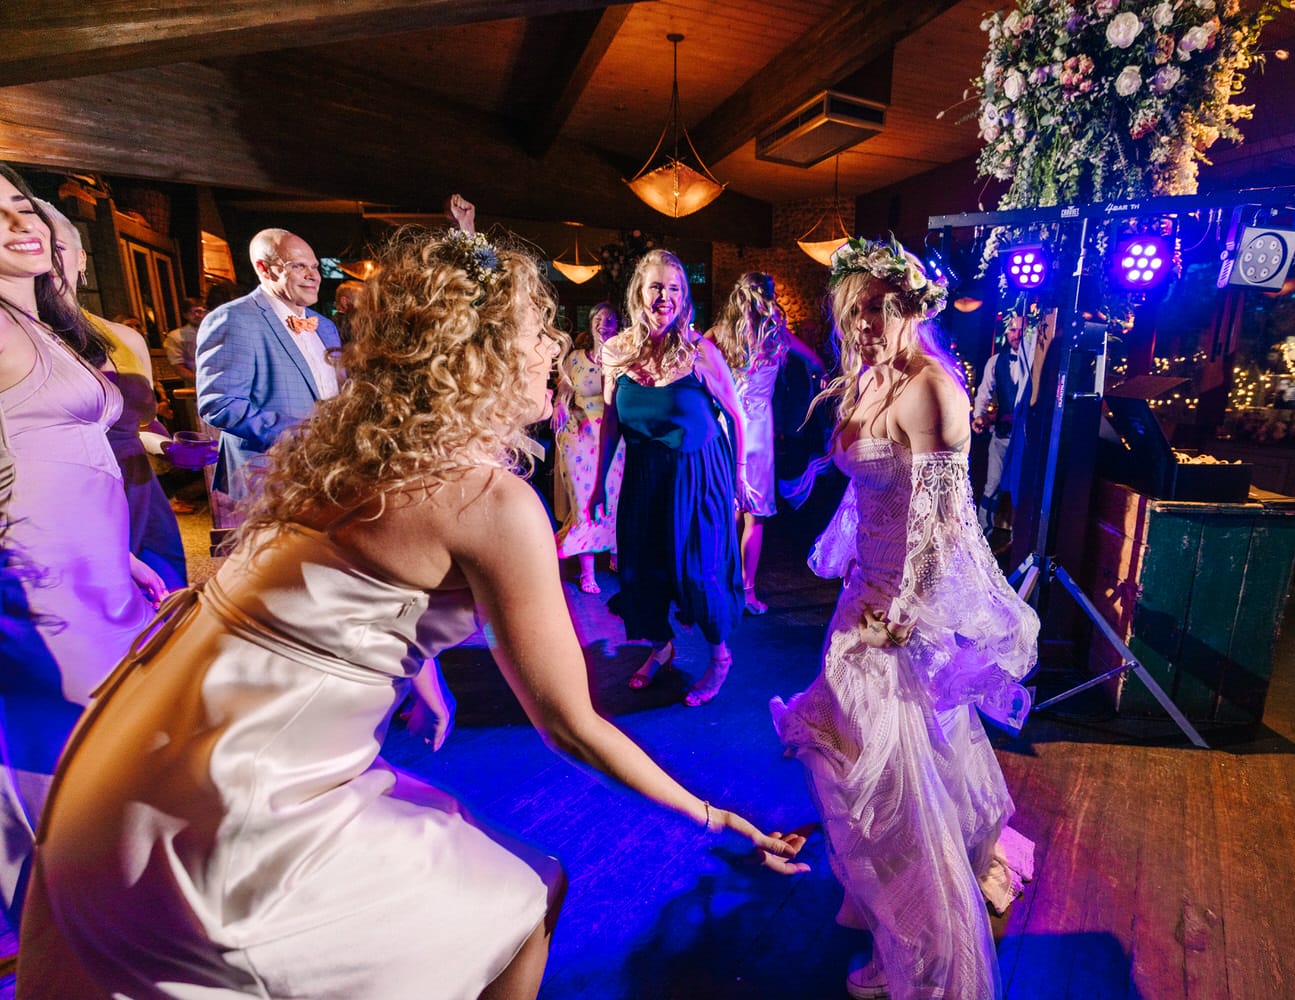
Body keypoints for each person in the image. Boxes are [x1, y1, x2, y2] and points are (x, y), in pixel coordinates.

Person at [17, 227, 807, 999]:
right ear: (480, 355)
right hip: (220, 813)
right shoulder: (487, 500)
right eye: (537, 333)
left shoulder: (351, 451)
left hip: (117, 770)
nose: (555, 351)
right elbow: (572, 724)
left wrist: (420, 671)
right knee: (529, 896)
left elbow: (335, 600)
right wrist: (715, 817)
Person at [770, 236, 1040, 1000]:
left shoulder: (932, 390)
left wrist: (903, 609)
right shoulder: (864, 384)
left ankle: (928, 959)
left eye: (882, 307)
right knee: (875, 772)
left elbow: (944, 522)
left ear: (912, 308)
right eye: (854, 309)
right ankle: (892, 903)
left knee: (887, 785)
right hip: (861, 598)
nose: (864, 323)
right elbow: (866, 490)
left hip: (901, 615)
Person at [0, 163, 163, 923]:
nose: (18, 222)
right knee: (70, 760)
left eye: (18, 204)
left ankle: (98, 930)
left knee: (109, 753)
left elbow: (60, 456)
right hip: (36, 578)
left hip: (94, 567)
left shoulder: (37, 320)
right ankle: (58, 941)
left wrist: (120, 554)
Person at [589, 249, 749, 707]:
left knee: (699, 574)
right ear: (639, 291)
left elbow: (736, 416)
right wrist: (600, 482)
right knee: (641, 571)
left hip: (699, 474)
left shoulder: (701, 352)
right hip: (644, 475)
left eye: (675, 288)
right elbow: (610, 420)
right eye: (657, 286)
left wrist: (739, 475)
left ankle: (720, 657)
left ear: (685, 297)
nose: (666, 296)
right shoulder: (616, 353)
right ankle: (661, 649)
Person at [40, 200, 204, 589]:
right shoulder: (16, 342)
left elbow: (137, 427)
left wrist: (165, 448)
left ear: (82, 259)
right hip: (65, 498)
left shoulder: (126, 339)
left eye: (56, 247)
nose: (44, 258)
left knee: (161, 609)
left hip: (136, 488)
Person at [196, 227, 341, 510]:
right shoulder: (234, 319)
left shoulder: (324, 325)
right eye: (299, 266)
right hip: (266, 475)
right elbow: (220, 404)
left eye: (314, 267)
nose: (314, 276)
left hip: (324, 469)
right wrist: (303, 435)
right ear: (264, 269)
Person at [707, 272, 823, 614]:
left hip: (725, 427)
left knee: (726, 511)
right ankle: (748, 592)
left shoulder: (719, 335)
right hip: (757, 430)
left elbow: (691, 358)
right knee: (753, 518)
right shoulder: (777, 335)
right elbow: (815, 362)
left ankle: (719, 585)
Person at [553, 301, 624, 593]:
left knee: (615, 499)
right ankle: (587, 571)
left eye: (608, 319)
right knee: (584, 503)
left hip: (615, 438)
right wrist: (560, 404)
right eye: (598, 317)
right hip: (581, 437)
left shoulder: (623, 358)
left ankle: (616, 556)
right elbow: (565, 390)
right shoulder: (576, 359)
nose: (602, 323)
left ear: (617, 326)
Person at [972, 312, 1029, 541]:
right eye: (1013, 330)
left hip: (1025, 439)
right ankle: (980, 534)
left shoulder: (1034, 361)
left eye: (1021, 330)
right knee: (992, 485)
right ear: (1006, 333)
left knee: (1020, 490)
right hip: (1002, 436)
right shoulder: (996, 361)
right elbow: (984, 392)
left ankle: (1019, 542)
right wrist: (979, 416)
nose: (1017, 335)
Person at [162, 296, 206, 385]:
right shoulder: (175, 337)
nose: (198, 315)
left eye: (202, 311)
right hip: (196, 386)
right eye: (194, 312)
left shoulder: (214, 332)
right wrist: (202, 383)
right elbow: (179, 367)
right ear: (185, 315)